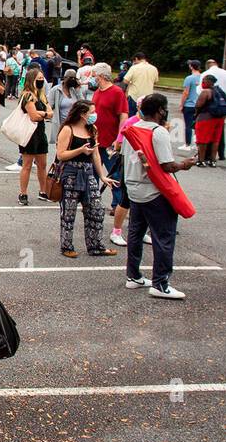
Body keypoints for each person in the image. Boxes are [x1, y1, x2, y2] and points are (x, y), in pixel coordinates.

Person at [123, 94, 196, 300]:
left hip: (134, 187)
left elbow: (124, 159)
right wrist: (184, 164)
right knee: (164, 236)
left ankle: (134, 275)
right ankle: (161, 282)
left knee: (136, 233)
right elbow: (166, 165)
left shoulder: (131, 129)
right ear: (160, 111)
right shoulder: (158, 132)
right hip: (154, 191)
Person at [55, 101, 120, 258]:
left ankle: (95, 245)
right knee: (68, 213)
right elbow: (60, 155)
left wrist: (102, 176)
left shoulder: (92, 129)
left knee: (96, 210)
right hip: (70, 174)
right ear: (82, 114)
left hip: (88, 173)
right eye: (91, 112)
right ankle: (66, 246)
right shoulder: (67, 129)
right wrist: (80, 150)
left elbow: (95, 154)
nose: (94, 114)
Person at [90, 64, 131, 246]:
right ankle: (92, 201)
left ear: (101, 76)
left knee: (114, 175)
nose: (92, 78)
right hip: (96, 139)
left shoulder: (116, 92)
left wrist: (119, 138)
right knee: (93, 173)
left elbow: (123, 116)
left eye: (94, 75)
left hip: (110, 141)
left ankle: (117, 205)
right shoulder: (97, 92)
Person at [14, 67, 51, 204]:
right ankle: (23, 193)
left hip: (40, 132)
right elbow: (34, 116)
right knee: (27, 164)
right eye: (38, 79)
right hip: (29, 134)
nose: (41, 82)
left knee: (42, 164)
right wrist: (44, 114)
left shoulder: (41, 95)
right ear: (31, 80)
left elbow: (50, 112)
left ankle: (43, 191)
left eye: (42, 79)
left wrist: (43, 114)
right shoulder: (27, 95)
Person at [192, 73, 224, 166]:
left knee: (202, 140)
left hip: (206, 119)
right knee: (215, 140)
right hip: (219, 119)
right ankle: (212, 160)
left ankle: (201, 160)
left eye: (204, 81)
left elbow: (198, 105)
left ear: (209, 82)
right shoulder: (220, 91)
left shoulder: (206, 91)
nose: (202, 82)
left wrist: (196, 114)